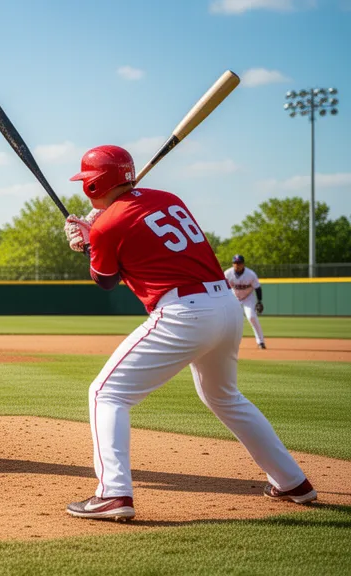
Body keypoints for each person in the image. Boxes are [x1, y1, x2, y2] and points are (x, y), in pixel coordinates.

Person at [61, 145, 315, 521]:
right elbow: (141, 235)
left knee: (105, 393)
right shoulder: (166, 198)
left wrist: (87, 241)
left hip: (183, 312)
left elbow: (106, 280)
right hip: (226, 307)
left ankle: (113, 493)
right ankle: (293, 481)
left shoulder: (108, 224)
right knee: (225, 397)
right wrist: (96, 230)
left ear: (94, 185)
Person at [224, 255, 266, 349]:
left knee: (251, 317)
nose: (237, 265)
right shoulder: (227, 273)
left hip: (248, 297)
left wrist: (259, 301)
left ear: (243, 264)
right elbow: (223, 287)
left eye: (239, 263)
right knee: (228, 319)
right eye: (235, 263)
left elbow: (257, 288)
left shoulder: (250, 274)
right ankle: (226, 342)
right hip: (234, 297)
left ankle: (261, 341)